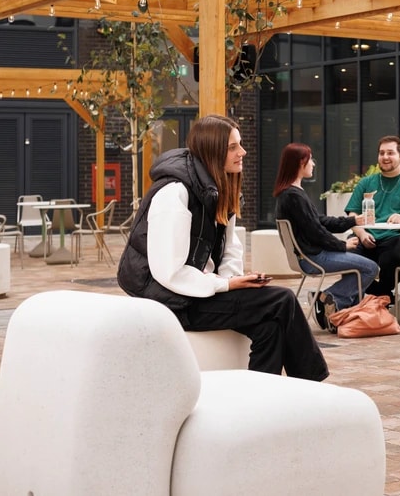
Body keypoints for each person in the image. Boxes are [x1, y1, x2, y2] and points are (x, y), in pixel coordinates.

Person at [117, 115, 329, 381]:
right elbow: (168, 272)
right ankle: (312, 384)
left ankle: (262, 399)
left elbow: (231, 248)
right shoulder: (175, 193)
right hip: (168, 299)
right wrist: (225, 286)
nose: (243, 152)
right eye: (233, 147)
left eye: (239, 144)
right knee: (282, 300)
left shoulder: (219, 188)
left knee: (270, 325)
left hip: (199, 291)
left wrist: (232, 280)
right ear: (212, 150)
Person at [273, 142, 379, 331]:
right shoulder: (293, 196)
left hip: (307, 255)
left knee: (360, 266)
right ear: (300, 163)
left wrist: (353, 221)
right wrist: (342, 246)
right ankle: (329, 298)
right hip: (313, 257)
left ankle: (336, 311)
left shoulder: (291, 193)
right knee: (370, 267)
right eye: (310, 159)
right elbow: (316, 232)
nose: (313, 163)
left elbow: (319, 221)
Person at [346, 136, 400, 302]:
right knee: (347, 256)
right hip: (365, 237)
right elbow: (352, 214)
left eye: (390, 153)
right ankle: (382, 296)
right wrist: (361, 234)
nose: (385, 157)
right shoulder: (366, 183)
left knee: (396, 256)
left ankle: (379, 294)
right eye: (381, 153)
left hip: (395, 238)